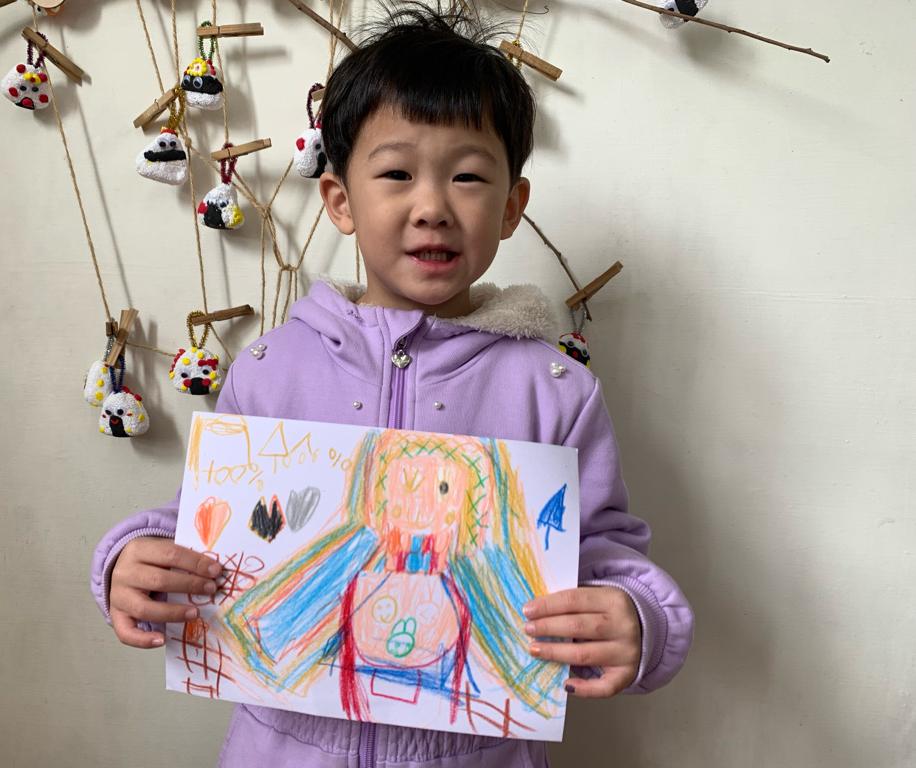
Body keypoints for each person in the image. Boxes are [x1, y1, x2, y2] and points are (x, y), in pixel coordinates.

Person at [91, 6, 694, 766]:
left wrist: (639, 619)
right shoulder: (271, 369)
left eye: (468, 176)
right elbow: (202, 530)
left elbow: (599, 556)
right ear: (340, 202)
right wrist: (133, 561)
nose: (432, 207)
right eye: (397, 174)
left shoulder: (556, 391)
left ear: (512, 207)